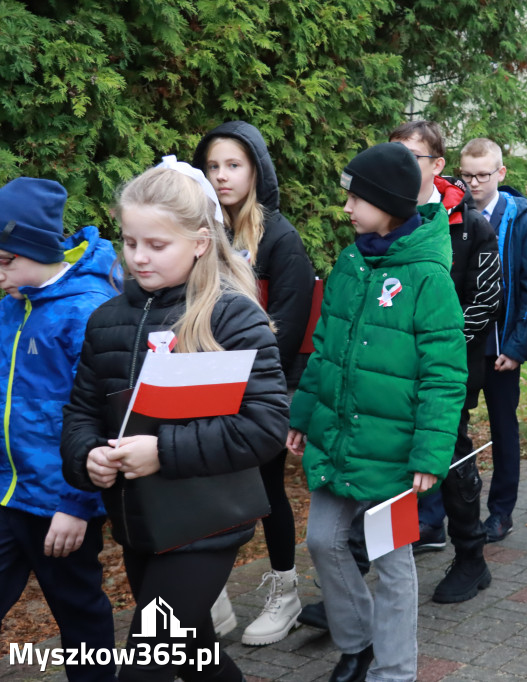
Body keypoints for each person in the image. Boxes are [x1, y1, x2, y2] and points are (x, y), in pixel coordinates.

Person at [61, 160, 290, 681]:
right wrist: (87, 456)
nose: (138, 258)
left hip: (207, 523)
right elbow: (81, 413)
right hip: (140, 522)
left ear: (200, 243)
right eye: (129, 241)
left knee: (145, 667)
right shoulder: (106, 319)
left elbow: (263, 427)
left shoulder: (231, 315)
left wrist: (160, 450)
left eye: (156, 245)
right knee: (191, 653)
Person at [288, 142, 467, 682]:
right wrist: (302, 415)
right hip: (339, 436)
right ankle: (357, 642)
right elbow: (324, 346)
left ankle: (394, 671)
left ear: (388, 203)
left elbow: (444, 374)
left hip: (394, 451)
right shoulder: (348, 260)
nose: (346, 208)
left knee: (392, 564)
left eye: (356, 199)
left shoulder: (428, 277)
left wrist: (431, 452)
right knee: (321, 539)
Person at [193, 120, 315, 646]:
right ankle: (209, 597)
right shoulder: (200, 230)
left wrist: (267, 395)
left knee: (265, 491)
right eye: (212, 167)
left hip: (259, 390)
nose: (221, 176)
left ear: (256, 170)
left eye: (233, 166)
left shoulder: (279, 238)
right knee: (204, 487)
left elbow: (286, 328)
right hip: (204, 384)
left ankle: (285, 592)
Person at [0, 178, 120, 682]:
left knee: (79, 612)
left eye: (6, 259)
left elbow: (100, 419)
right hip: (7, 493)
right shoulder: (12, 300)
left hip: (58, 505)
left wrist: (77, 505)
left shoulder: (87, 311)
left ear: (38, 249)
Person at [388, 121, 501, 605]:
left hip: (447, 371)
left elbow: (488, 297)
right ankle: (366, 566)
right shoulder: (382, 218)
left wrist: (438, 347)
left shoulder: (470, 223)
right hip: (389, 373)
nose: (397, 168)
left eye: (410, 158)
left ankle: (471, 558)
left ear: (437, 166)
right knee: (386, 459)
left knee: (452, 457)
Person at [458, 137, 527, 544]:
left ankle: (500, 512)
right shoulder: (451, 215)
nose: (474, 183)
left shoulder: (521, 219)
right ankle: (444, 510)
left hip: (499, 348)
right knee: (451, 429)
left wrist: (517, 347)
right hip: (460, 345)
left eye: (482, 175)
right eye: (467, 175)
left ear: (501, 173)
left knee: (503, 428)